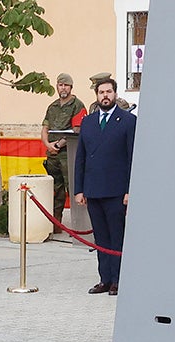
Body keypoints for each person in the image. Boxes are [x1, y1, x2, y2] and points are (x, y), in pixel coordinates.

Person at [73, 75, 134, 295]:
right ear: (96, 95)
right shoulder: (88, 122)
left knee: (116, 236)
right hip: (93, 189)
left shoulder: (127, 121)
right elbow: (81, 158)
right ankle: (105, 279)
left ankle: (118, 279)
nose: (105, 96)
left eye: (109, 92)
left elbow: (131, 158)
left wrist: (129, 190)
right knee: (100, 238)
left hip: (117, 191)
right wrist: (79, 189)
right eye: (101, 92)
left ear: (115, 94)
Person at [41, 73, 84, 209]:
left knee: (72, 188)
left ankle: (77, 225)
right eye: (61, 85)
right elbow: (44, 127)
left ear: (71, 87)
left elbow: (77, 130)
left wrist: (58, 145)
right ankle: (56, 225)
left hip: (68, 154)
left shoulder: (77, 105)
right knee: (55, 191)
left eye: (66, 85)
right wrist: (48, 145)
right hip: (52, 155)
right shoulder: (52, 107)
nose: (63, 88)